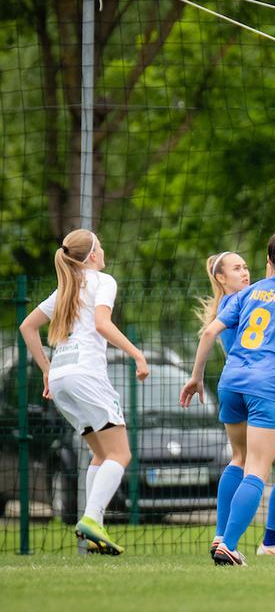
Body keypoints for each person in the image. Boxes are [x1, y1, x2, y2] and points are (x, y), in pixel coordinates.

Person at [181, 225, 275, 566]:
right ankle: (230, 545)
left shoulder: (249, 293)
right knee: (258, 469)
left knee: (239, 459)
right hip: (268, 387)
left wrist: (196, 377)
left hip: (232, 383)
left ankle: (221, 535)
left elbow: (210, 330)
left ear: (267, 260)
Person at [19, 229, 149, 555]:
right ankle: (92, 520)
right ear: (92, 255)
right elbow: (103, 324)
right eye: (100, 247)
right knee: (121, 455)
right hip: (86, 376)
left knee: (101, 455)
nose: (103, 252)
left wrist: (47, 370)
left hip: (62, 377)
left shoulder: (65, 287)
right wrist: (137, 353)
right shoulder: (102, 281)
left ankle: (90, 534)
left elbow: (27, 326)